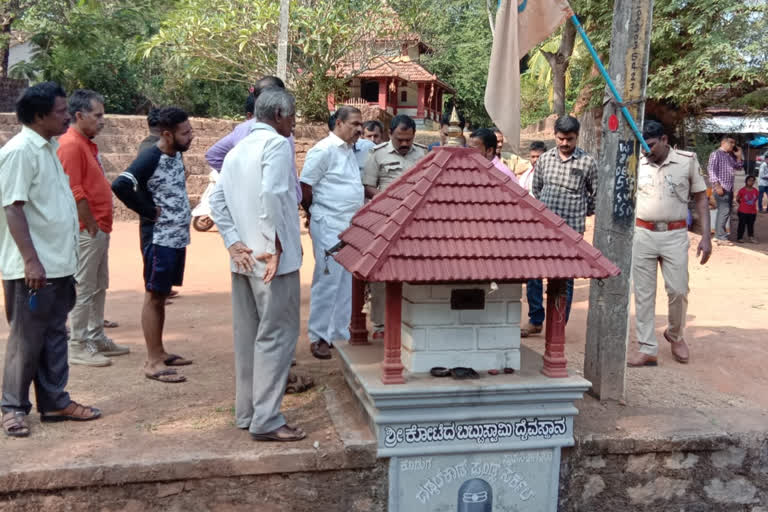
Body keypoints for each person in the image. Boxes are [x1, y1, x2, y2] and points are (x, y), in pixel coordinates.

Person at [0, 82, 102, 437]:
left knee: (55, 334)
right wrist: (31, 261)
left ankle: (55, 400)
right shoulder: (20, 151)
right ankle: (12, 408)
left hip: (59, 265)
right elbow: (13, 208)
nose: (65, 117)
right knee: (26, 340)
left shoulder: (48, 149)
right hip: (34, 267)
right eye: (60, 112)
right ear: (39, 116)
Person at [209, 88, 306, 442]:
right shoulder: (277, 146)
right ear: (279, 114)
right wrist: (275, 245)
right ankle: (266, 418)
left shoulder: (237, 150)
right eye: (292, 116)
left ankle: (249, 412)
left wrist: (234, 242)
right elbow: (275, 194)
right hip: (270, 259)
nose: (294, 123)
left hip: (246, 258)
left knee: (249, 336)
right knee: (276, 335)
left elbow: (216, 199)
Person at [112, 107, 195, 383]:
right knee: (154, 294)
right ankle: (152, 361)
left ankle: (160, 351)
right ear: (168, 135)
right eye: (185, 133)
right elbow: (121, 185)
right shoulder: (150, 156)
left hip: (175, 237)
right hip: (158, 238)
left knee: (163, 294)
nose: (191, 136)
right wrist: (147, 210)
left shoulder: (176, 153)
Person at [627, 121, 711, 367]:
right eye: (642, 146)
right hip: (643, 233)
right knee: (643, 293)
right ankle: (647, 347)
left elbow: (701, 200)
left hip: (674, 235)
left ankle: (675, 335)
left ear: (664, 140)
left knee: (678, 290)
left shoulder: (687, 161)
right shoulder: (636, 163)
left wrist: (706, 237)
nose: (646, 151)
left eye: (651, 145)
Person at [57, 89, 130, 367]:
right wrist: (89, 225)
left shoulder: (85, 143)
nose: (102, 120)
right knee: (84, 287)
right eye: (97, 115)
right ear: (79, 115)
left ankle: (95, 335)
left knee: (98, 285)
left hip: (97, 227)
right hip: (87, 229)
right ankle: (77, 343)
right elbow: (73, 189)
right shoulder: (71, 145)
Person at [523, 116, 597, 338]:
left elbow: (595, 194)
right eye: (561, 138)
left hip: (572, 229)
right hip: (543, 228)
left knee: (566, 277)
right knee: (534, 273)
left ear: (577, 137)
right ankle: (536, 319)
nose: (565, 143)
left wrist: (580, 211)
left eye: (570, 139)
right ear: (554, 135)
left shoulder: (588, 162)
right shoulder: (544, 160)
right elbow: (537, 189)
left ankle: (559, 325)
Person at [300, 105, 364, 359]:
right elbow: (305, 187)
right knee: (327, 280)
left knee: (346, 281)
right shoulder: (323, 150)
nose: (359, 129)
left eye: (361, 124)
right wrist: (315, 214)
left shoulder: (350, 150)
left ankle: (339, 333)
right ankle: (318, 337)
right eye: (354, 124)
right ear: (338, 123)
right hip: (328, 224)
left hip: (349, 226)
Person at [361, 114, 427, 337]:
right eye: (400, 139)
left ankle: (411, 322)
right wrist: (386, 199)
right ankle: (380, 325)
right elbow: (368, 186)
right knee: (382, 274)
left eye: (409, 139)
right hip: (385, 223)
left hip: (416, 225)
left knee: (415, 272)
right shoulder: (377, 155)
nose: (405, 144)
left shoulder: (423, 154)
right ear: (391, 135)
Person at [205, 77, 301, 204]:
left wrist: (239, 180)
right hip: (273, 207)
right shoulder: (281, 136)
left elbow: (213, 155)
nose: (293, 122)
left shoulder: (243, 129)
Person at [708, 135, 744, 246]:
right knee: (725, 211)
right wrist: (717, 186)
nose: (733, 145)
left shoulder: (729, 156)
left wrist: (738, 156)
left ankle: (718, 236)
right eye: (731, 143)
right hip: (721, 188)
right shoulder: (716, 154)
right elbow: (711, 170)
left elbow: (738, 167)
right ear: (723, 143)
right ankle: (721, 237)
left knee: (723, 212)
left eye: (734, 143)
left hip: (729, 188)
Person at [736, 175, 759, 243]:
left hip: (752, 212)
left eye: (753, 181)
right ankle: (739, 237)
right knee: (741, 225)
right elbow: (737, 199)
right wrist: (742, 204)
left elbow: (755, 199)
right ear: (746, 181)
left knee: (751, 225)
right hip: (742, 211)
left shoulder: (755, 191)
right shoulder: (742, 190)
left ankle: (751, 237)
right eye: (749, 180)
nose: (751, 182)